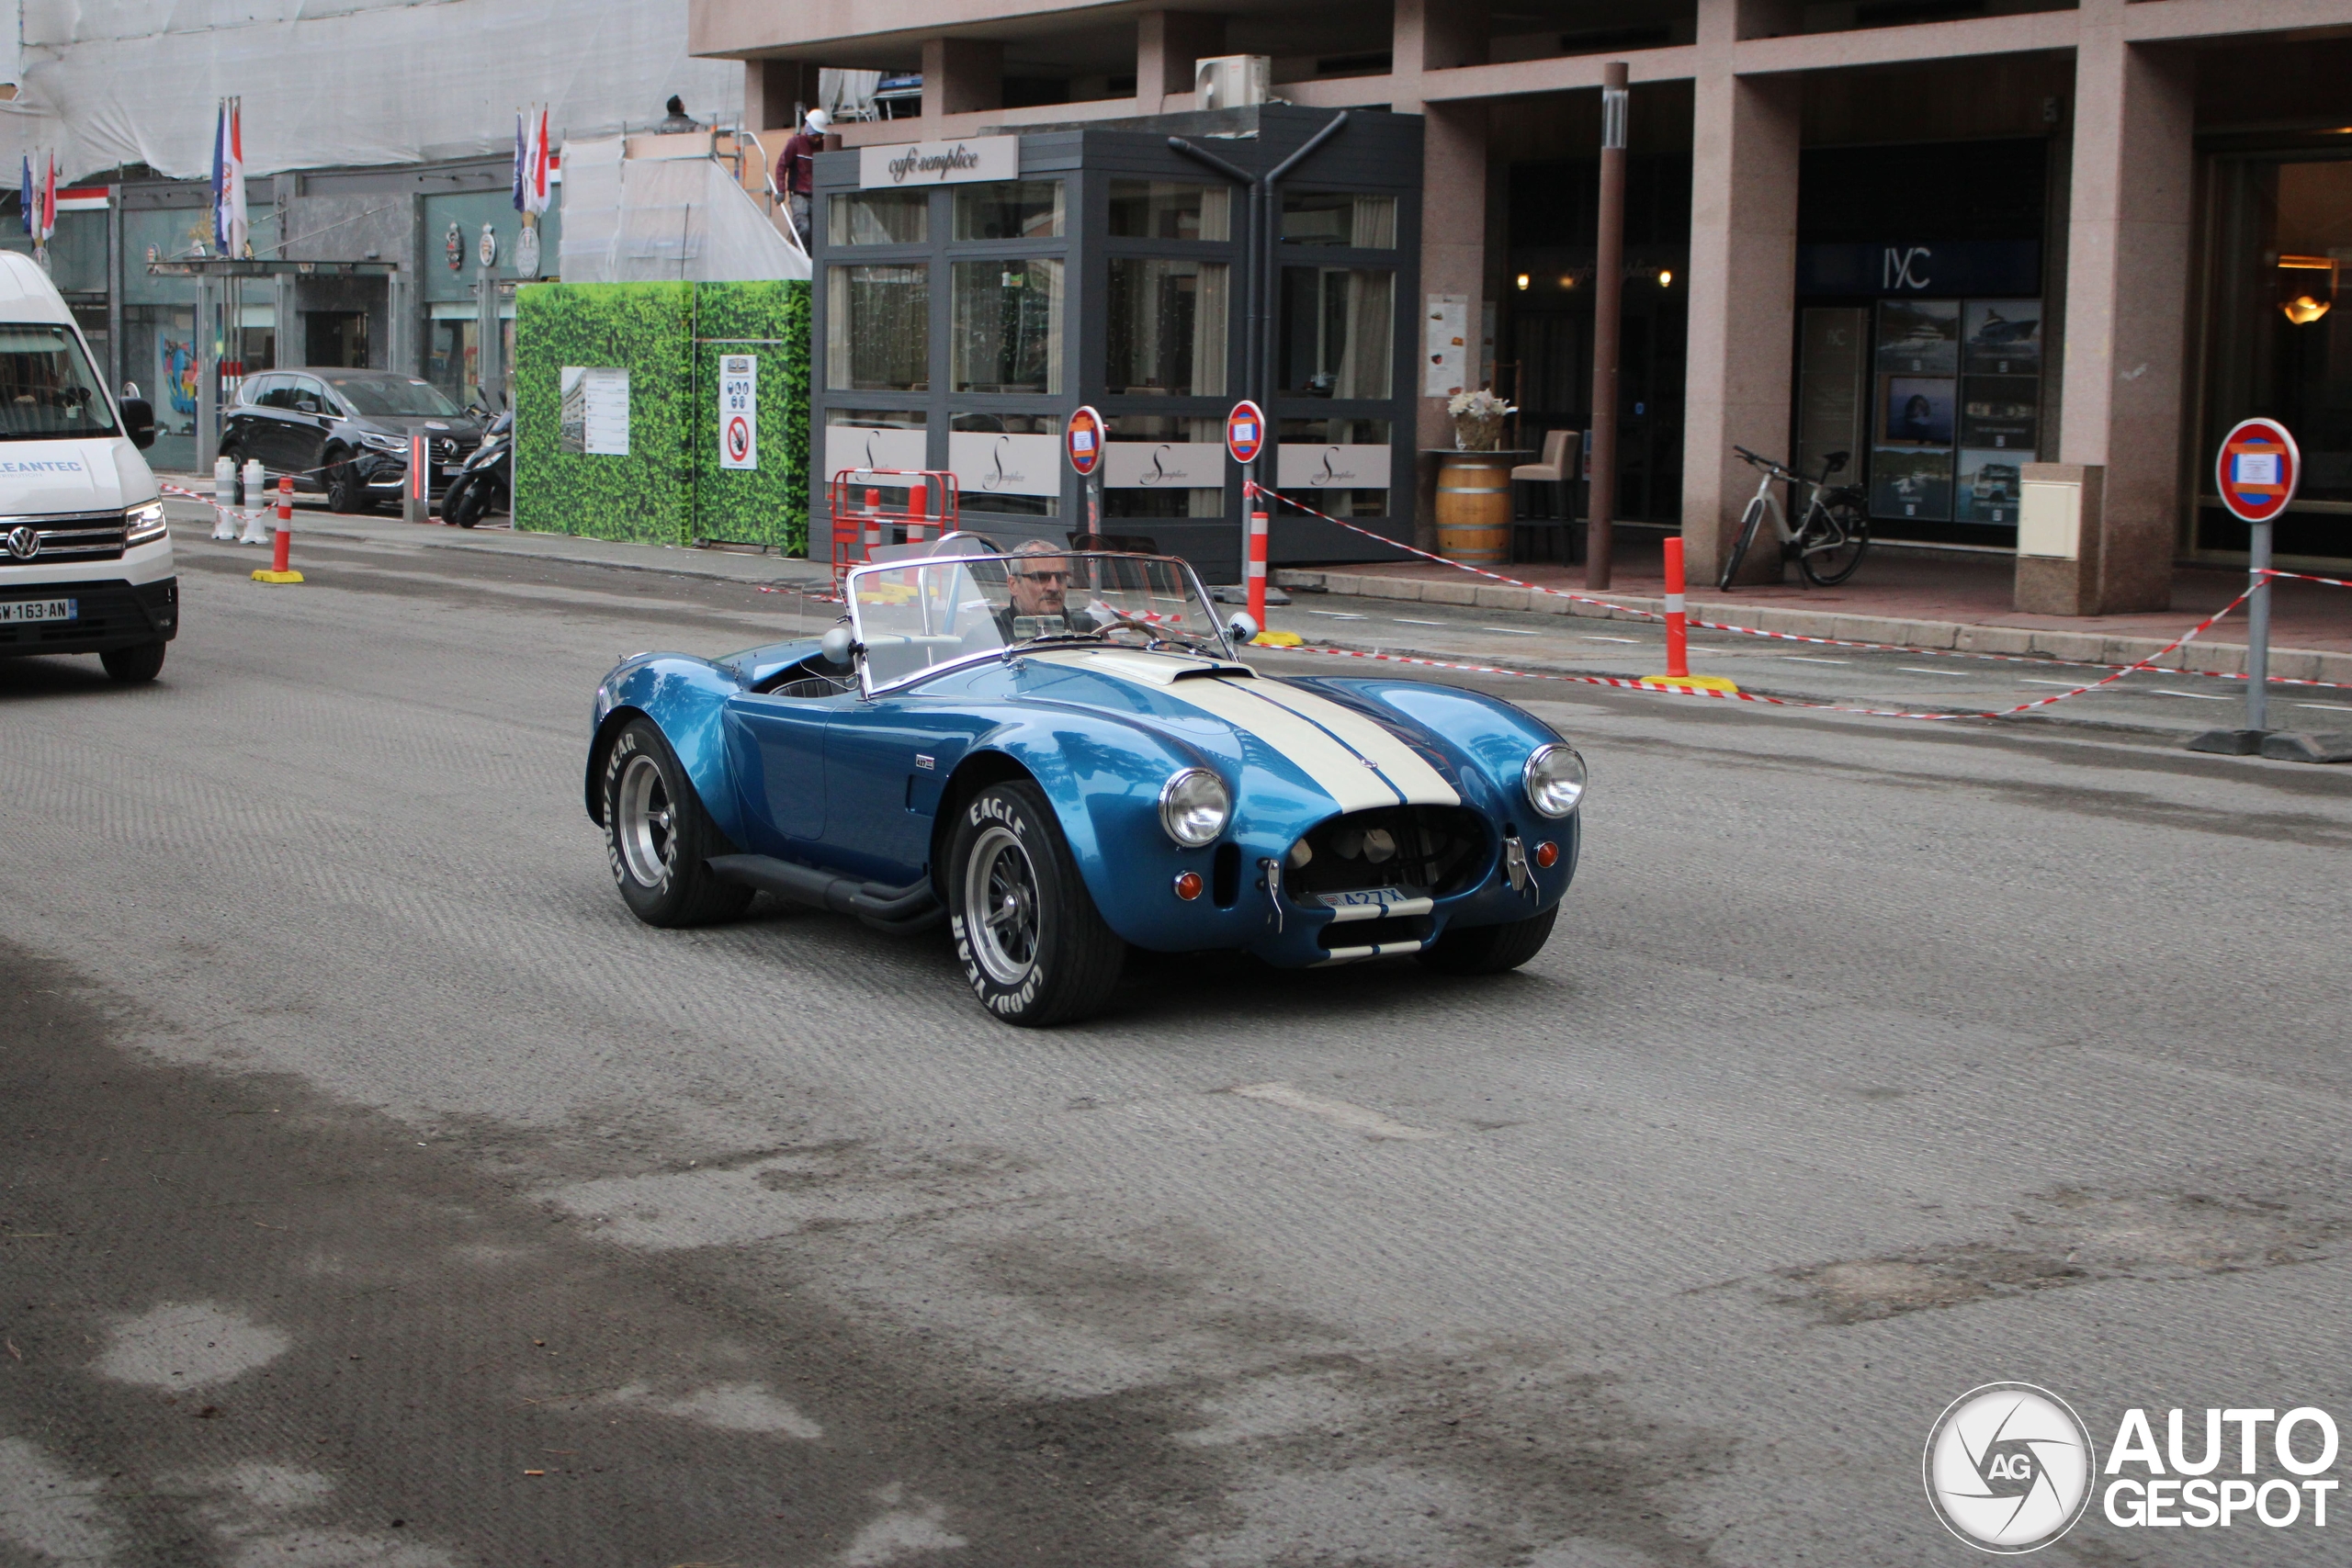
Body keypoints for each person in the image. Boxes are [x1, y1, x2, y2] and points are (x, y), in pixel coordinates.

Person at [996, 540, 1073, 639]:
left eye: (1061, 577)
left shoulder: (1086, 629)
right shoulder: (990, 635)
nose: (1054, 587)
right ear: (1013, 585)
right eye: (1040, 577)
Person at [776, 108, 829, 249]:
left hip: (817, 194)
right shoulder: (796, 143)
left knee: (818, 232)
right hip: (799, 194)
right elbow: (782, 165)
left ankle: (808, 255)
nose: (817, 139)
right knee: (803, 227)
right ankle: (798, 254)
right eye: (815, 135)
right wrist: (781, 190)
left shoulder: (823, 146)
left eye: (820, 135)